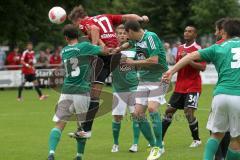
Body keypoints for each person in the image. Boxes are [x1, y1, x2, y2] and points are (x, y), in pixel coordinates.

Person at [162, 18, 240, 160]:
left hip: (221, 95)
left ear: (225, 32)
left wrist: (171, 71)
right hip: (238, 96)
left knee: (216, 135)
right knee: (236, 140)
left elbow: (191, 56)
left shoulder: (218, 46)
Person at [68, 5, 149, 138]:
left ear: (77, 19)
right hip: (114, 55)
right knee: (94, 92)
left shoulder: (84, 23)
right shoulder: (105, 16)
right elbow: (128, 17)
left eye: (74, 24)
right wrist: (141, 18)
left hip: (104, 56)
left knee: (92, 93)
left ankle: (86, 129)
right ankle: (85, 129)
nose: (77, 27)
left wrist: (94, 48)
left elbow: (94, 29)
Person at [47, 24, 112, 160]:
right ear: (78, 35)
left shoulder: (64, 51)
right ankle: (79, 156)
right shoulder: (85, 47)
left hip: (66, 90)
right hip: (81, 91)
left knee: (59, 124)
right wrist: (96, 39)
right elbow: (105, 51)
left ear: (66, 38)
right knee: (81, 128)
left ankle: (51, 153)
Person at [117, 20, 168, 160]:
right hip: (144, 80)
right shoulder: (136, 40)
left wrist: (133, 62)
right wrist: (118, 49)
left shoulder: (150, 37)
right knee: (137, 114)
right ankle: (153, 146)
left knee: (152, 109)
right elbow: (130, 44)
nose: (126, 37)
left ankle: (159, 146)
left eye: (126, 34)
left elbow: (154, 60)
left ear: (131, 31)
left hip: (159, 78)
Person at [162, 26, 206, 148]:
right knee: (169, 111)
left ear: (195, 34)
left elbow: (202, 67)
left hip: (193, 85)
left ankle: (196, 140)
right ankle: (159, 140)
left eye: (190, 31)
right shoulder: (180, 48)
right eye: (185, 31)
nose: (186, 33)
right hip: (180, 86)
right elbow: (178, 65)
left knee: (188, 112)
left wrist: (188, 59)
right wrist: (169, 75)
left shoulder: (198, 49)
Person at [110, 24, 140, 153]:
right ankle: (115, 144)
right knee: (117, 117)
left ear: (128, 35)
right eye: (119, 33)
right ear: (116, 35)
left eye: (124, 33)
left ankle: (135, 144)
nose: (122, 35)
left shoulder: (134, 48)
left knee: (135, 115)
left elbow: (139, 65)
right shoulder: (112, 50)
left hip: (133, 86)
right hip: (118, 88)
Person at [214, 18, 230, 160]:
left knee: (215, 128)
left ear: (222, 31)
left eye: (216, 30)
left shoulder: (219, 45)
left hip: (225, 90)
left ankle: (220, 157)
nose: (215, 33)